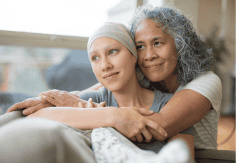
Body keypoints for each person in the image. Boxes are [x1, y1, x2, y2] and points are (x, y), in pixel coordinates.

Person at [7, 4, 222, 152]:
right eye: (140, 46)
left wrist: (100, 112)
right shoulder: (146, 75)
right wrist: (49, 100)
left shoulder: (206, 81)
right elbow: (96, 88)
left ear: (180, 44)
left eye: (157, 43)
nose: (148, 55)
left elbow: (157, 125)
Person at [0, 22, 194, 163]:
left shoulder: (169, 106)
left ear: (134, 55)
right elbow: (39, 116)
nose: (105, 66)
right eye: (95, 58)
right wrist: (111, 116)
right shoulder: (98, 99)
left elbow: (183, 157)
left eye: (112, 52)